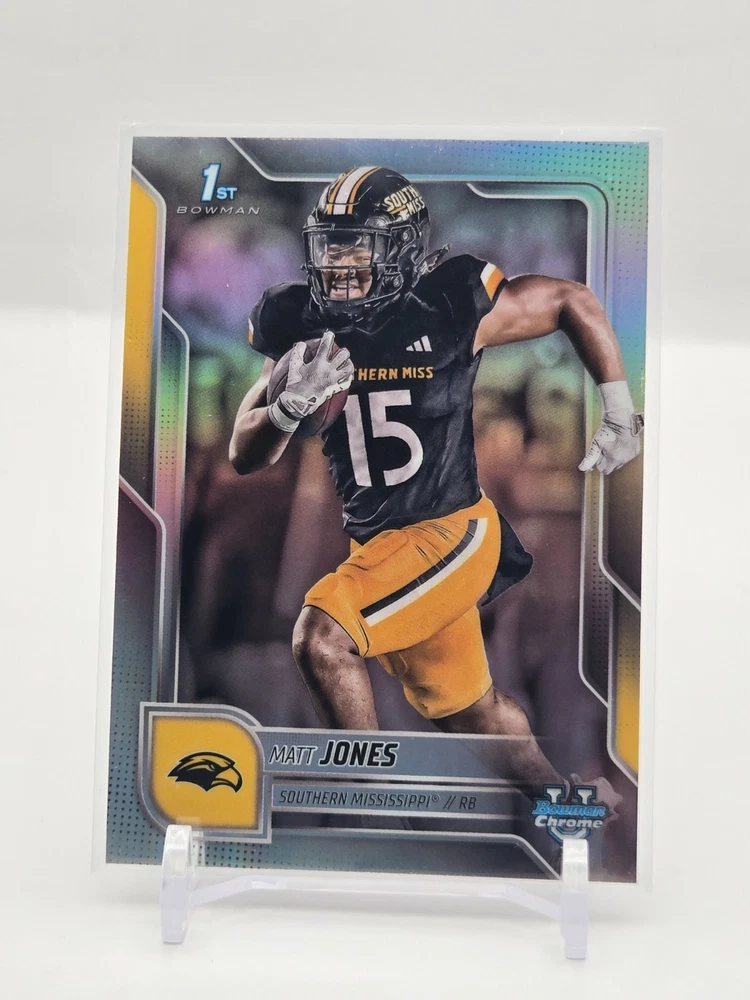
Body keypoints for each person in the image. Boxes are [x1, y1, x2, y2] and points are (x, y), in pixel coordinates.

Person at [229, 166, 641, 798]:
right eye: (330, 246)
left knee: (322, 638)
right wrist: (286, 410)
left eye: (358, 247)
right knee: (474, 714)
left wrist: (618, 409)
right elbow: (243, 452)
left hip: (451, 532)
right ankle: (568, 807)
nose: (339, 264)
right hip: (380, 548)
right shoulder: (298, 320)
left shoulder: (450, 303)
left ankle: (368, 813)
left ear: (400, 249)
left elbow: (570, 300)